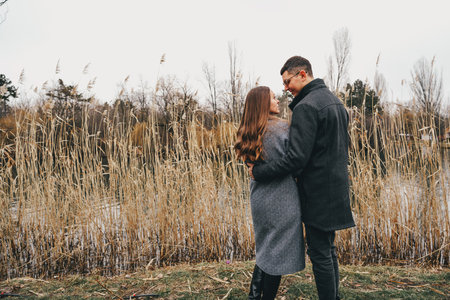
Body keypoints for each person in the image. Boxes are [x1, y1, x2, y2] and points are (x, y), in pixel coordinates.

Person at [249, 56, 355, 300]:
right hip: (336, 188)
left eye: (288, 81)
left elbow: (296, 158)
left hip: (317, 192)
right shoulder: (334, 102)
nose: (285, 88)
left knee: (319, 253)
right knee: (328, 250)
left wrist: (259, 172)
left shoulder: (307, 106)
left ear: (303, 75)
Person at [235, 86, 305, 300]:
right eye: (273, 98)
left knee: (266, 247)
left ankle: (254, 295)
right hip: (282, 199)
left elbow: (253, 166)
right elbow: (296, 162)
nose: (277, 101)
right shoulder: (282, 129)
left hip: (260, 200)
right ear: (263, 103)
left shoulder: (247, 131)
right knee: (277, 255)